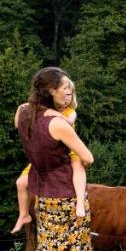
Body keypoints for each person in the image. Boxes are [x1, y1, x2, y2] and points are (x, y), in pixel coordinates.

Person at [14, 67, 94, 251]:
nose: (69, 91)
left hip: (42, 194)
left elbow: (23, 112)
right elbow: (87, 158)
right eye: (64, 87)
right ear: (51, 91)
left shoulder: (23, 114)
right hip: (67, 196)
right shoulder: (58, 124)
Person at [11, 78, 86, 233]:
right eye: (64, 94)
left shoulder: (70, 112)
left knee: (78, 167)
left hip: (69, 151)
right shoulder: (42, 110)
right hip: (48, 154)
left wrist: (54, 114)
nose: (67, 98)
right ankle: (23, 214)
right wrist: (23, 108)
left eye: (70, 95)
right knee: (20, 183)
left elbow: (68, 121)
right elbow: (17, 123)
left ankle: (79, 202)